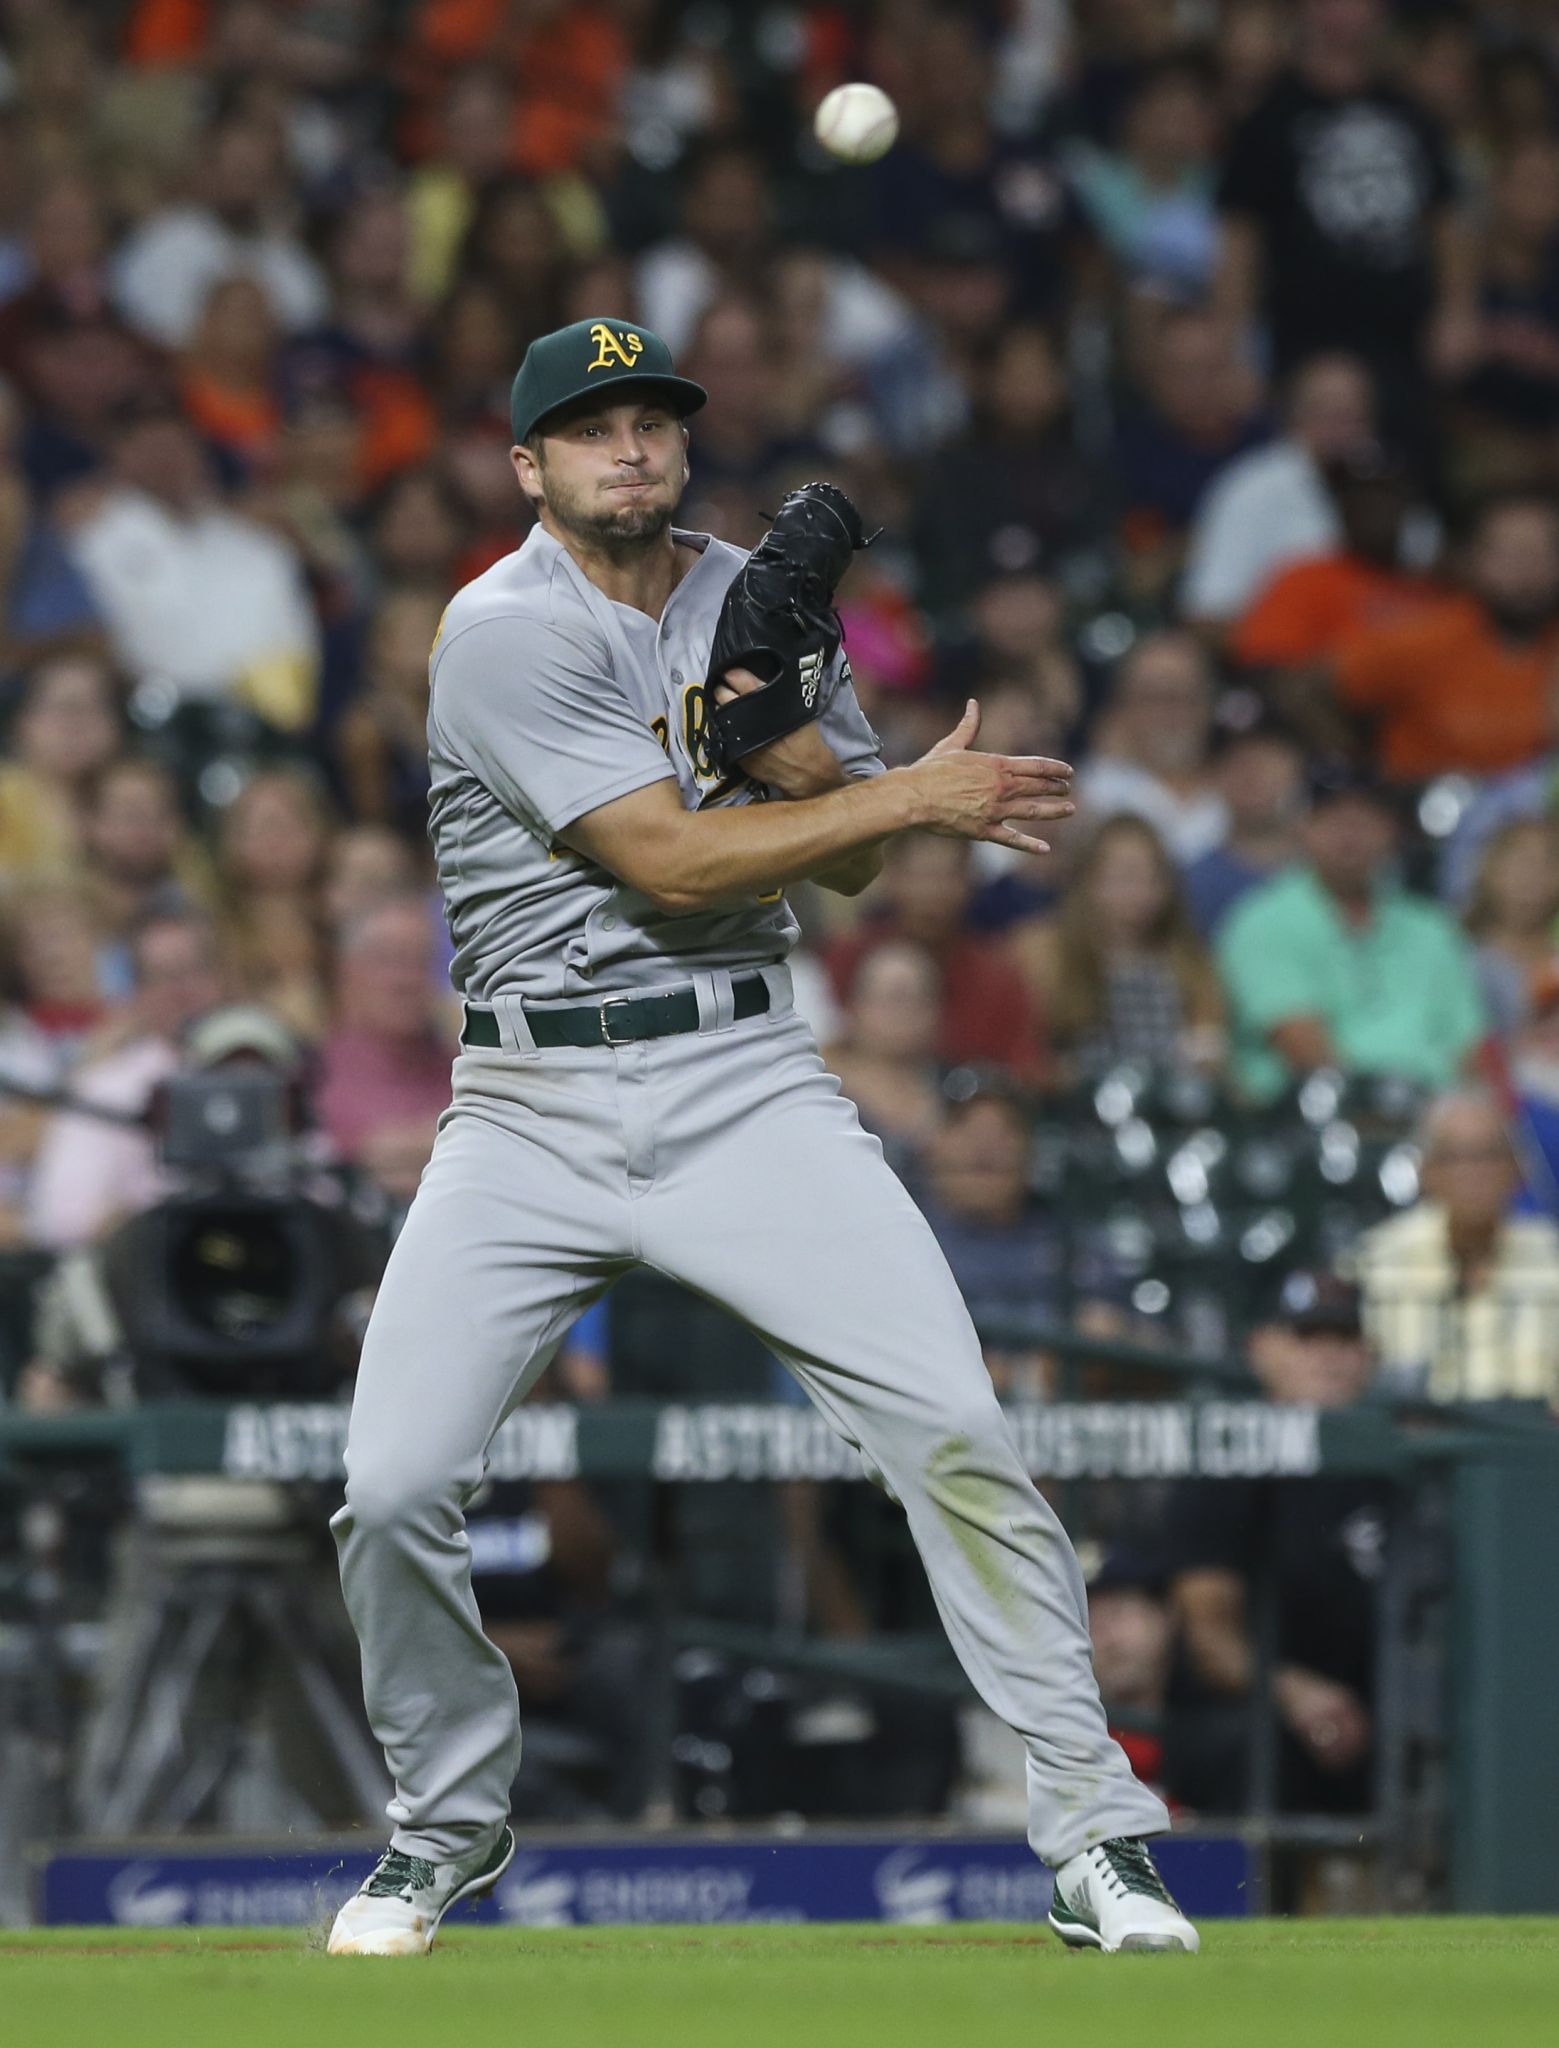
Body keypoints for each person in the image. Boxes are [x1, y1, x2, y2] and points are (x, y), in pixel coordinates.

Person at [325, 315, 1195, 1957]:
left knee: (951, 1424)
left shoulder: (752, 597)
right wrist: (889, 797)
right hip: (528, 1105)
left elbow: (844, 863)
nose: (631, 447)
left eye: (651, 418)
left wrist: (802, 755)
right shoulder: (497, 628)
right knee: (389, 1483)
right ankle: (442, 1828)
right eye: (591, 428)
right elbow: (666, 858)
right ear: (529, 467)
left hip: (744, 1083)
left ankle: (1094, 1836)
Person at [1166, 1269, 1389, 1820]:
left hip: (1384, 1708)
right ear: (1260, 1349)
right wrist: (1296, 1693)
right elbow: (1210, 1636)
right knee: (1250, 1747)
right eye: (1307, 1338)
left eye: (1345, 1340)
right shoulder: (1227, 1463)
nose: (1329, 1357)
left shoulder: (1396, 1469)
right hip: (1261, 1709)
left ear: (1370, 1355)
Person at [1212, 0, 1472, 402]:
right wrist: (1233, 349)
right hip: (1306, 340)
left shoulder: (1410, 112)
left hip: (1403, 341)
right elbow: (1239, 240)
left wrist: (1456, 312)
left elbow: (1446, 217)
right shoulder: (1268, 119)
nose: (1347, 14)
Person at [1217, 766, 1487, 1101]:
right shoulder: (1261, 921)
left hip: (1433, 1116)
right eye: (1332, 820)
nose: (1348, 836)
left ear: (1391, 831)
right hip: (1313, 1115)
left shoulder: (1430, 925)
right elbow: (1302, 1047)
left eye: (1363, 821)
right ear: (1301, 828)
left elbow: (1471, 1046)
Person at [62, 398, 321, 730]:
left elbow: (293, 644)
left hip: (255, 720)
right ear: (118, 454)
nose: (165, 460)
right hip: (146, 720)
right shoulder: (88, 538)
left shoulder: (254, 543)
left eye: (175, 445)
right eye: (150, 447)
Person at [25, 906, 228, 1251]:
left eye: (194, 970)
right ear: (137, 992)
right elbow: (61, 1220)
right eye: (162, 977)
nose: (182, 991)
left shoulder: (271, 1068)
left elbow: (321, 1194)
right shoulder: (105, 1089)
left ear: (224, 976)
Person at [1329, 492, 1559, 782]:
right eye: (1510, 553)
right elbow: (1313, 686)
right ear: (1473, 559)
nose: (1527, 571)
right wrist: (1351, 768)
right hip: (1421, 813)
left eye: (1542, 553)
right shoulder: (1424, 638)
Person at [1351, 1087, 1559, 1406]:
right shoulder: (1373, 1263)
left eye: (1490, 1155)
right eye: (1454, 1158)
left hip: (1534, 1448)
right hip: (1416, 1447)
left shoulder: (1552, 1259)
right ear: (1425, 1172)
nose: (1474, 1173)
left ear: (1520, 1170)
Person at [1012, 815, 1226, 1081]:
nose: (1139, 892)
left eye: (1152, 878)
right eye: (1125, 877)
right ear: (1088, 880)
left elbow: (1209, 1049)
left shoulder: (1189, 961)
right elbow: (1026, 1051)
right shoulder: (1044, 951)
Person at [823, 834, 1049, 1084]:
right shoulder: (848, 958)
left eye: (949, 875)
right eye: (921, 875)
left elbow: (1023, 1070)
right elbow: (824, 1048)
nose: (934, 892)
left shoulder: (998, 976)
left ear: (971, 879)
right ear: (890, 877)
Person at [1181, 352, 1378, 630]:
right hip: (1278, 658)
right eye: (1325, 413)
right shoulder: (1250, 488)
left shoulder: (1389, 482)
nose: (1338, 430)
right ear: (1294, 416)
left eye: (1350, 416)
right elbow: (1207, 611)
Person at [313, 893, 457, 1205]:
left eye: (420, 963)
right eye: (388, 960)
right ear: (347, 970)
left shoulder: (467, 1072)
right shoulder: (314, 1075)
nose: (405, 980)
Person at [1075, 629, 1229, 865]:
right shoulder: (1091, 794)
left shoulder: (1241, 788)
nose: (1168, 714)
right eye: (1152, 698)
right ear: (1123, 707)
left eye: (1182, 696)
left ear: (1208, 704)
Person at [821, 939, 945, 1187]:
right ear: (854, 1008)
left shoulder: (955, 1090)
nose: (907, 1011)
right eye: (896, 997)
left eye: (920, 998)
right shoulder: (826, 1093)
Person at [1182, 722, 1307, 937]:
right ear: (1212, 776)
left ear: (1296, 768)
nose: (1251, 773)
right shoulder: (1192, 884)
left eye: (1266, 758)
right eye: (1234, 761)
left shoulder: (1337, 870)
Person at [1463, 816, 1559, 1042]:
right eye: (1519, 860)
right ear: (1489, 869)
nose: (1532, 877)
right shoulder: (1457, 959)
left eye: (1547, 863)